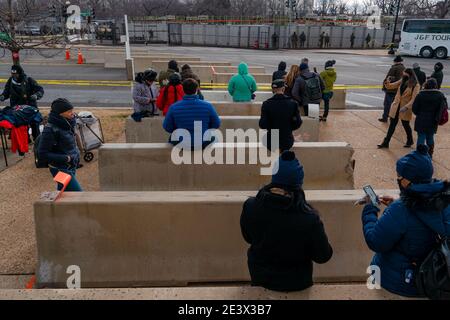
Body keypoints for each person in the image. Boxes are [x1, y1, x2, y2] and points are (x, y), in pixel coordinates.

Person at [361, 146, 450, 298]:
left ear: (408, 180)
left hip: (398, 282)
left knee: (374, 271)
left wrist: (370, 209)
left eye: (399, 177)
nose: (398, 179)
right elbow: (423, 211)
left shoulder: (400, 210)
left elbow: (375, 242)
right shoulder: (445, 200)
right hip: (434, 276)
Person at [241, 151, 333, 292]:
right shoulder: (309, 218)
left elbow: (248, 237)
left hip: (260, 277)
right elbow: (323, 256)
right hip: (296, 283)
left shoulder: (250, 206)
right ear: (298, 183)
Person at [38, 98, 82, 192]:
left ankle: (57, 206)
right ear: (60, 113)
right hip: (60, 168)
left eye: (72, 110)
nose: (73, 113)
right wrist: (66, 158)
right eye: (69, 111)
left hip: (71, 165)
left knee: (64, 193)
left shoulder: (68, 123)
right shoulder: (50, 129)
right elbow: (42, 153)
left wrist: (75, 156)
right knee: (79, 195)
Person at [163, 78, 221, 149]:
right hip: (202, 143)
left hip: (181, 143)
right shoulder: (208, 106)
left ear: (183, 90)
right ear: (197, 90)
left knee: (171, 138)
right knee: (215, 137)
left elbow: (167, 127)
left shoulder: (174, 107)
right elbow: (216, 124)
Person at [378, 68, 420, 149]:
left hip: (405, 108)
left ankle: (410, 140)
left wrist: (406, 107)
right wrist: (387, 81)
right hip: (396, 106)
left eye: (404, 73)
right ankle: (386, 142)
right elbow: (390, 86)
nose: (402, 74)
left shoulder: (416, 85)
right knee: (392, 125)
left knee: (406, 125)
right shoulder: (402, 80)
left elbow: (414, 99)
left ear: (409, 74)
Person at [0, 65, 44, 141]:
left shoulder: (29, 80)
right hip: (17, 108)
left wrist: (36, 95)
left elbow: (40, 90)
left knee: (35, 122)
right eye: (12, 74)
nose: (14, 75)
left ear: (20, 73)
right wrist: (3, 96)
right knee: (21, 124)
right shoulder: (11, 81)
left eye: (16, 74)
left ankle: (37, 139)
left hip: (30, 107)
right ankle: (26, 139)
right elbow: (6, 92)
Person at [259, 79, 302, 151]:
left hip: (272, 140)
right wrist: (289, 128)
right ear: (283, 89)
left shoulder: (266, 104)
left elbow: (262, 124)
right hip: (287, 139)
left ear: (273, 90)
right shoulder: (293, 103)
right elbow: (298, 122)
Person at [412, 78, 447, 157]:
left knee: (421, 137)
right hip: (433, 119)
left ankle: (419, 155)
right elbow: (443, 108)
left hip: (421, 118)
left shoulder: (420, 94)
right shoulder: (440, 95)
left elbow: (414, 108)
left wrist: (419, 114)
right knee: (430, 137)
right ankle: (430, 153)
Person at [380, 56, 405, 122]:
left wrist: (385, 86)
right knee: (395, 105)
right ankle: (393, 117)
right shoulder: (404, 68)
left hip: (391, 89)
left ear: (395, 61)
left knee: (387, 104)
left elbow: (389, 78)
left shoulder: (394, 68)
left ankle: (385, 117)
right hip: (398, 89)